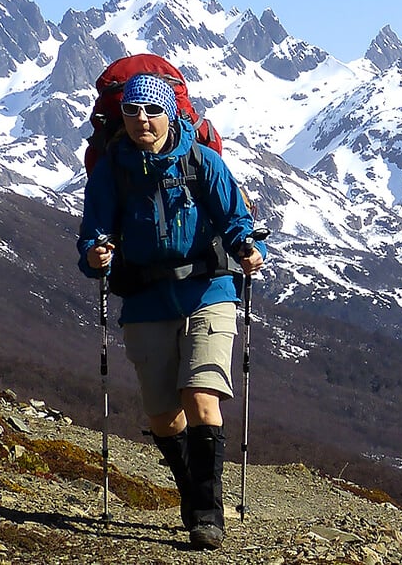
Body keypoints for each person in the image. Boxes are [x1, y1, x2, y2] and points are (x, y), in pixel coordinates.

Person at [76, 73, 264, 549]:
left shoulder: (202, 162)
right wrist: (94, 256)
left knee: (202, 397)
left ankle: (207, 512)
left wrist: (244, 245)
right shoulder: (112, 171)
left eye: (153, 110)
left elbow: (236, 217)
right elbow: (91, 235)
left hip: (208, 290)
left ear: (171, 114)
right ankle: (190, 487)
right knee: (164, 416)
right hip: (145, 299)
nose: (143, 119)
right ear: (122, 116)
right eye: (133, 111)